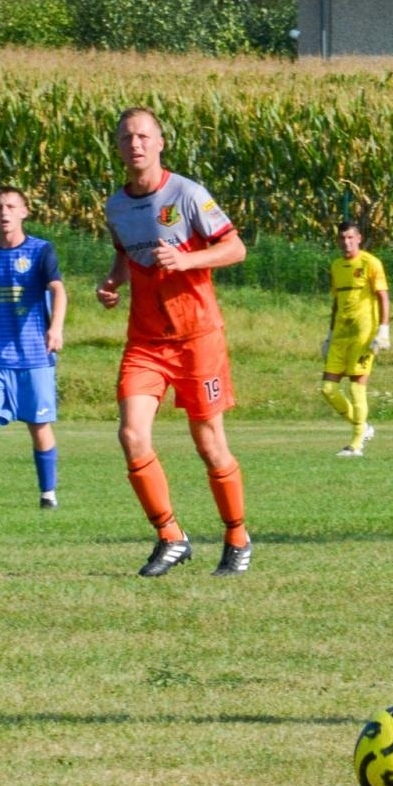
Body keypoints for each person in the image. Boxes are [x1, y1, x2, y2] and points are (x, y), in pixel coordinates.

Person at [98, 106, 252, 577]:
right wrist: (113, 281)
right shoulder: (116, 206)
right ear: (119, 147)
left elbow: (236, 248)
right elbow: (125, 255)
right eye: (126, 138)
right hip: (146, 341)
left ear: (160, 143)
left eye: (144, 136)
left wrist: (186, 262)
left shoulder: (185, 194)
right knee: (131, 434)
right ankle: (170, 535)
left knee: (209, 444)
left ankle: (237, 537)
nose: (135, 144)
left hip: (197, 339)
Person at [0, 187, 69, 512]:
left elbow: (59, 291)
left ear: (24, 211)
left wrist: (56, 328)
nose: (4, 212)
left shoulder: (40, 251)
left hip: (35, 357)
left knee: (38, 426)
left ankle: (48, 494)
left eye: (10, 206)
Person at [321, 220, 391, 457]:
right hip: (340, 336)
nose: (346, 242)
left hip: (363, 336)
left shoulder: (371, 263)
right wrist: (329, 335)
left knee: (356, 387)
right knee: (328, 389)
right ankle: (364, 427)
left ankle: (356, 442)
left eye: (350, 238)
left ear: (359, 238)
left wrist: (384, 329)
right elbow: (336, 302)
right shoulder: (336, 266)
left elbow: (383, 297)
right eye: (342, 238)